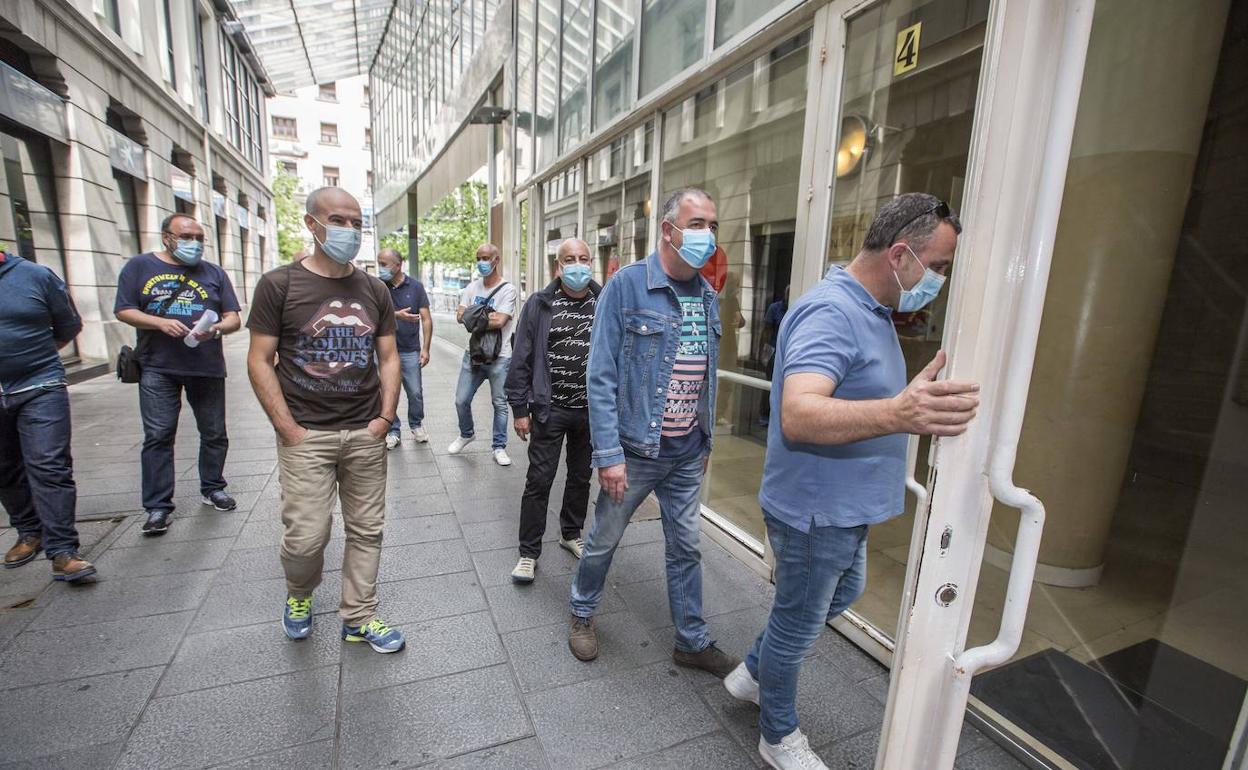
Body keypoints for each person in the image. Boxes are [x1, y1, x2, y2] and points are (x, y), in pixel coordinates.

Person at [723, 194, 978, 770]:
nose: (938, 279)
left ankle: (751, 675)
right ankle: (778, 735)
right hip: (817, 510)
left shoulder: (871, 309)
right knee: (798, 621)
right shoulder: (833, 312)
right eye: (936, 266)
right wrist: (900, 414)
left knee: (834, 597)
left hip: (841, 508)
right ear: (900, 254)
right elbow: (800, 413)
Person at [567, 187, 738, 678]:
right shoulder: (627, 286)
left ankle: (692, 639)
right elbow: (599, 374)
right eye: (698, 223)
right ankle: (582, 613)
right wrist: (608, 454)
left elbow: (704, 372)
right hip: (636, 450)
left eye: (712, 224)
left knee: (686, 545)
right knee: (603, 538)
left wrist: (705, 436)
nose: (708, 234)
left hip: (686, 452)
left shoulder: (706, 293)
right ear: (669, 230)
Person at [246, 187, 406, 654]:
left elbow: (389, 357)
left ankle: (359, 615)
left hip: (364, 432)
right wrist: (288, 429)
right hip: (306, 435)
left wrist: (384, 418)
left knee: (367, 529)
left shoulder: (374, 289)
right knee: (306, 538)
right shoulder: (280, 285)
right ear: (312, 224)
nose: (350, 231)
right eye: (339, 220)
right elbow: (260, 360)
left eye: (358, 223)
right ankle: (299, 596)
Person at [114, 213, 242, 535]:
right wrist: (159, 323)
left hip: (206, 366)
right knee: (158, 435)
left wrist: (214, 330)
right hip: (158, 366)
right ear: (167, 238)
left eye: (199, 238)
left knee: (214, 432)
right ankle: (158, 507)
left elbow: (234, 318)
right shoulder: (139, 267)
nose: (194, 244)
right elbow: (124, 309)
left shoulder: (214, 273)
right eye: (187, 237)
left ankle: (213, 487)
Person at [504, 238, 600, 583]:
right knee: (539, 480)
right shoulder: (541, 304)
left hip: (590, 411)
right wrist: (519, 407)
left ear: (592, 262)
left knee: (580, 476)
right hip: (549, 408)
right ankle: (528, 552)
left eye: (583, 258)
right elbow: (521, 357)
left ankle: (570, 533)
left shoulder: (602, 302)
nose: (578, 265)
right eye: (570, 259)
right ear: (558, 267)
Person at [0, 249, 95, 581]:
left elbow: (68, 325)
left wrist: (31, 356)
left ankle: (63, 551)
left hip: (40, 384)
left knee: (49, 464)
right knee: (5, 466)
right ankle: (29, 531)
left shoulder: (35, 275)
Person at [449, 243, 518, 467]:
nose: (482, 262)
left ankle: (499, 447)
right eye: (479, 257)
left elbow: (500, 321)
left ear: (496, 260)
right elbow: (459, 316)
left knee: (499, 403)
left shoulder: (508, 289)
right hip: (474, 355)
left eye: (486, 257)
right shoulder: (471, 287)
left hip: (501, 357)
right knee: (461, 400)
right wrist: (484, 317)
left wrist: (473, 316)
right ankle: (467, 433)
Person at [377, 248, 432, 449]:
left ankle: (416, 424)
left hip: (410, 349)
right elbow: (371, 315)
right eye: (379, 263)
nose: (380, 268)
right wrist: (396, 315)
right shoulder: (377, 286)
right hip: (383, 350)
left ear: (398, 265)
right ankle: (393, 430)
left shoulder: (416, 287)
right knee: (386, 392)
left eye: (384, 264)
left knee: (415, 392)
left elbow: (426, 319)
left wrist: (425, 349)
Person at [759, 286, 789, 427]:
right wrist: (763, 352)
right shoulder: (775, 308)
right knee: (770, 384)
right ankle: (765, 415)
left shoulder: (796, 307)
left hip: (789, 353)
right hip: (774, 351)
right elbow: (766, 330)